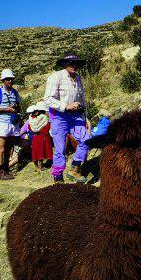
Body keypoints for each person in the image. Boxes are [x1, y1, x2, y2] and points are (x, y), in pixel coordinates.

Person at [44, 53, 91, 183]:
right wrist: (66, 106)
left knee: (86, 139)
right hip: (59, 116)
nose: (74, 66)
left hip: (76, 115)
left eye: (76, 64)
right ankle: (58, 177)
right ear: (65, 64)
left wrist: (85, 117)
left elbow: (81, 100)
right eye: (71, 63)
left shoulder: (78, 79)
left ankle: (75, 168)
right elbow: (48, 98)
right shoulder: (56, 77)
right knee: (60, 148)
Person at [0, 69, 21, 180]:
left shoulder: (15, 92)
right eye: (8, 79)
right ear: (3, 80)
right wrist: (6, 109)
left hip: (13, 122)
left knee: (9, 147)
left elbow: (18, 105)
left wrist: (16, 109)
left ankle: (6, 169)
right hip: (2, 122)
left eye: (11, 79)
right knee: (1, 148)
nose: (10, 80)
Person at [28, 101, 53, 171]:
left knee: (35, 151)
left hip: (35, 137)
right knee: (41, 151)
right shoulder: (44, 118)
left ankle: (36, 166)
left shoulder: (31, 118)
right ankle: (40, 166)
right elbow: (47, 128)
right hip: (42, 137)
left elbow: (29, 128)